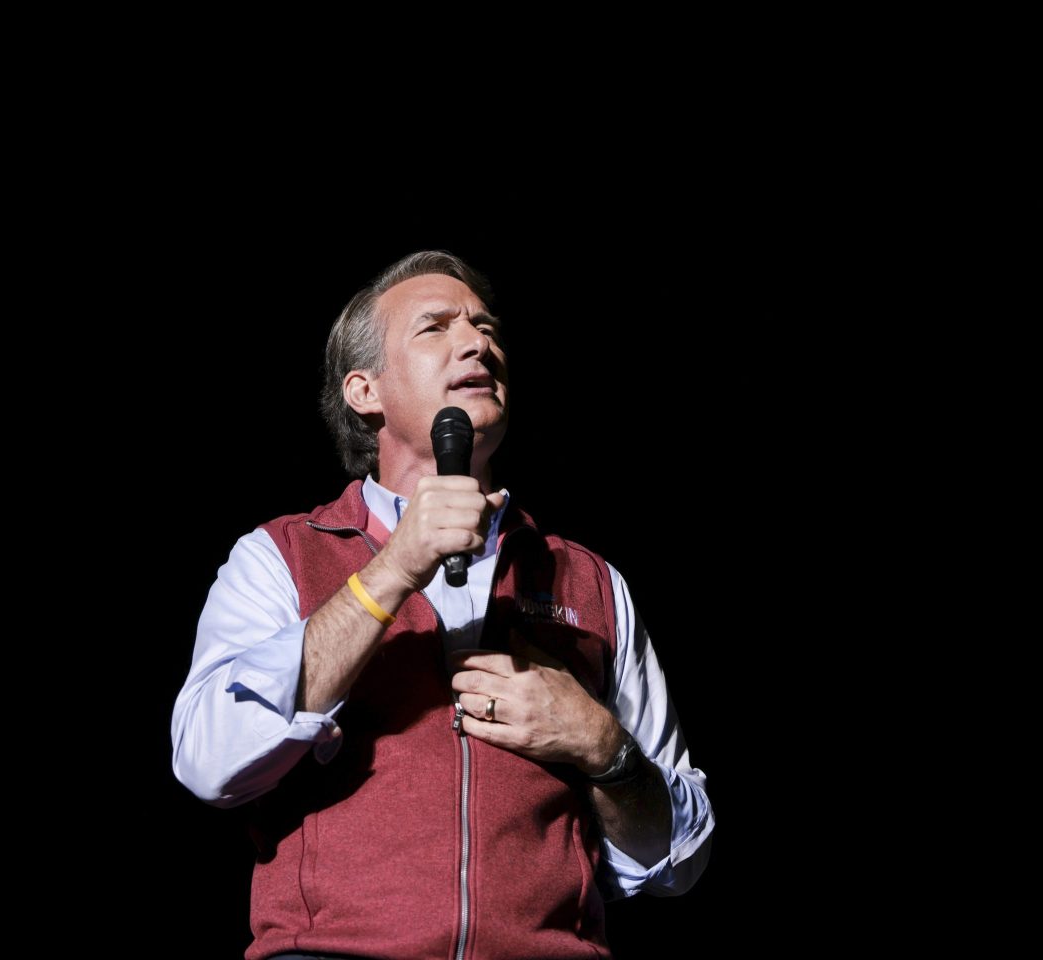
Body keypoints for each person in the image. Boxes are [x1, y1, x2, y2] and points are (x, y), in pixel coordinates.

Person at [171, 251, 714, 960]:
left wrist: (603, 747)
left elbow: (678, 859)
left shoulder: (592, 582)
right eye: (436, 327)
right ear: (365, 390)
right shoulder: (279, 557)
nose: (478, 342)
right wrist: (393, 569)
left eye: (486, 327)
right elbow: (209, 762)